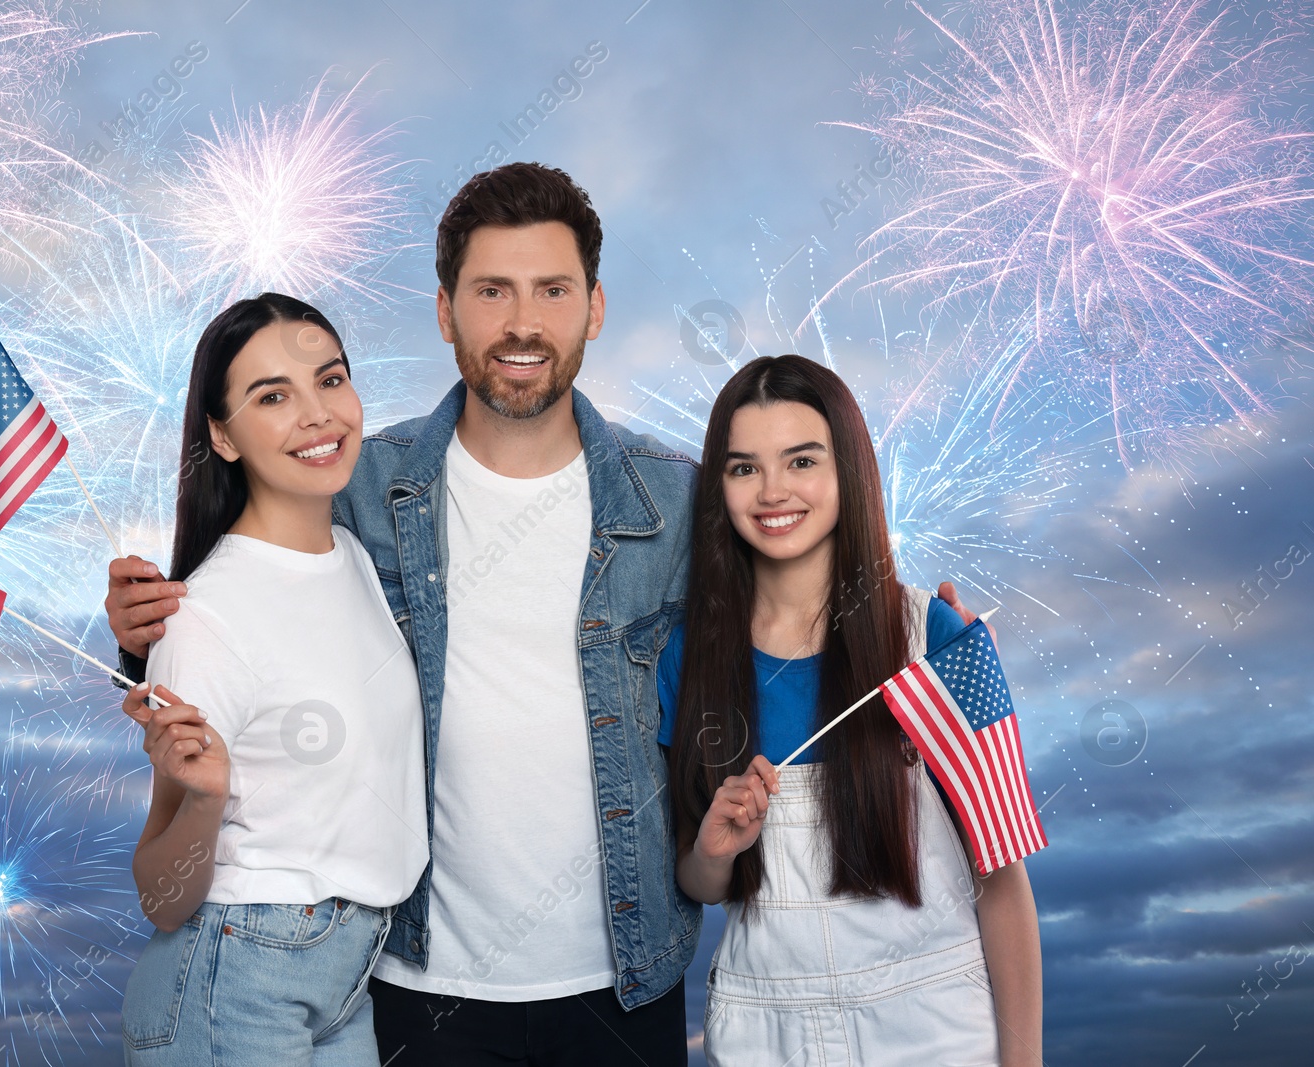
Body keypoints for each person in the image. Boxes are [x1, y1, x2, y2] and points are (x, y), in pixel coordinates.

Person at [106, 163, 990, 1066]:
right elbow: (256, 573)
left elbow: (793, 562)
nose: (522, 322)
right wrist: (150, 621)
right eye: (492, 291)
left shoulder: (676, 500)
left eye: (552, 290)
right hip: (416, 987)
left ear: (593, 309)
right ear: (447, 312)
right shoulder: (359, 481)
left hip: (624, 983)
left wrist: (907, 611)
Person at [662, 355, 1044, 1066]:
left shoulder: (936, 641)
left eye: (800, 460)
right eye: (744, 467)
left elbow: (1002, 882)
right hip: (762, 1029)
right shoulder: (691, 657)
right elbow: (700, 881)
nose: (773, 491)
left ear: (849, 469)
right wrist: (716, 850)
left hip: (934, 1026)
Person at [118, 293, 428, 1067]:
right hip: (234, 979)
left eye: (331, 379)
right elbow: (162, 893)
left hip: (345, 979)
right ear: (222, 436)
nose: (317, 414)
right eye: (273, 396)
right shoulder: (204, 616)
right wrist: (206, 796)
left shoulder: (355, 559)